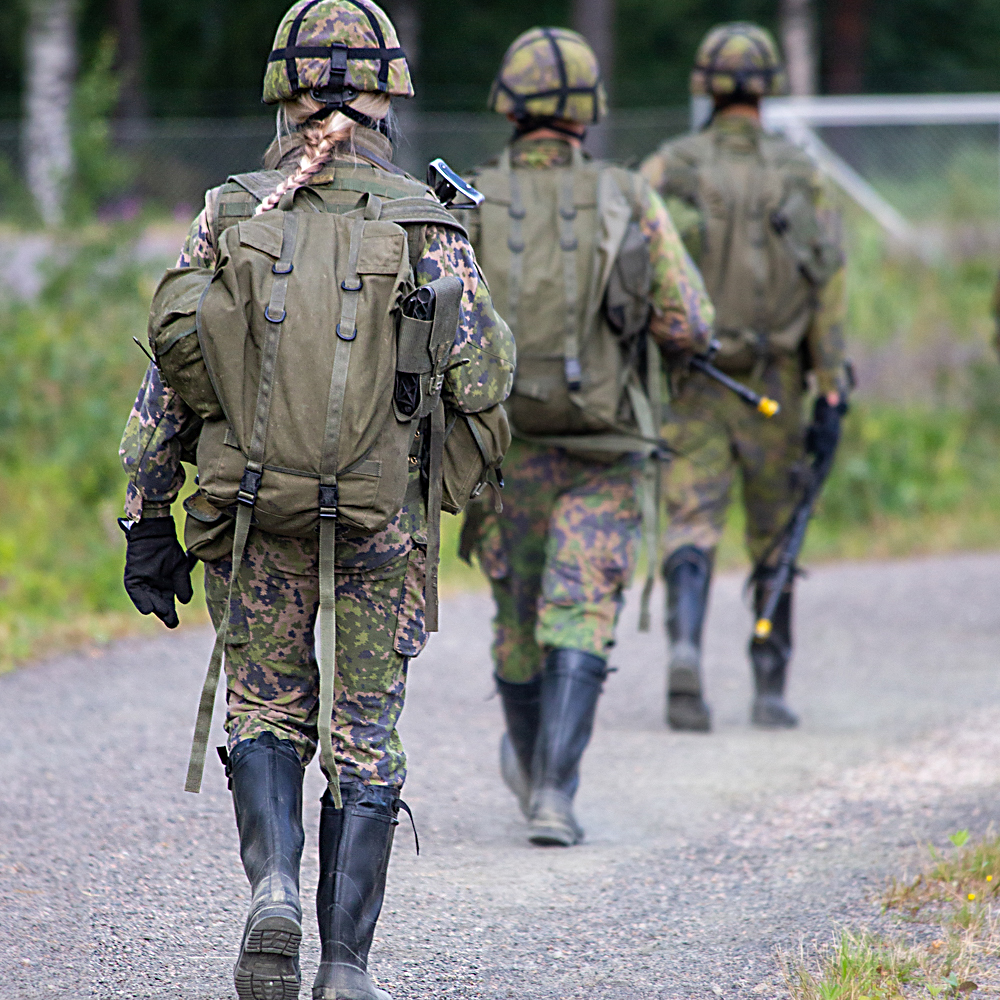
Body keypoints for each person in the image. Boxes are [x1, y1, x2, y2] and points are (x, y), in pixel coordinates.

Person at [117, 3, 514, 998]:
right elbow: (483, 376)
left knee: (263, 709)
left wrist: (147, 517)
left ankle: (273, 889)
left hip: (247, 510)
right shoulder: (425, 219)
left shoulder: (231, 211)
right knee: (364, 735)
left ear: (280, 90)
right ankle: (344, 967)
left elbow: (169, 376)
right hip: (384, 520)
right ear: (386, 93)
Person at [458, 27, 714, 847]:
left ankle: (531, 769)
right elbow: (688, 320)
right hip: (605, 450)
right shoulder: (628, 196)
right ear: (586, 114)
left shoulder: (468, 199)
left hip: (504, 452)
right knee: (582, 607)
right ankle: (556, 796)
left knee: (517, 616)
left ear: (510, 106)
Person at [639, 22, 849, 733]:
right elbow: (829, 283)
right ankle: (768, 682)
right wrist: (830, 375)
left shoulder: (668, 168)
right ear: (766, 90)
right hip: (776, 384)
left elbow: (631, 265)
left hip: (694, 379)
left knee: (690, 521)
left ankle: (688, 654)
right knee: (776, 529)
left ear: (705, 86)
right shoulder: (801, 173)